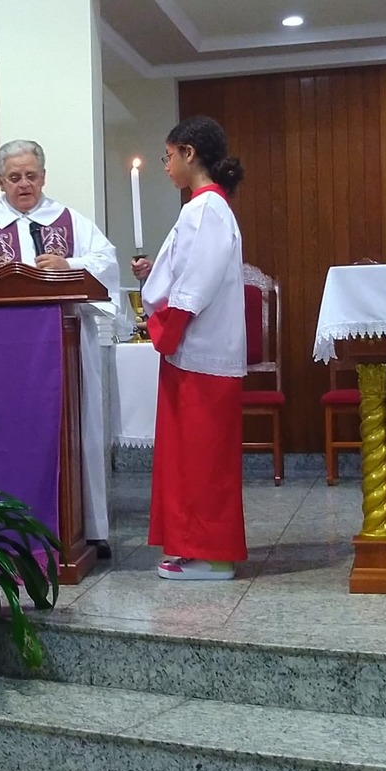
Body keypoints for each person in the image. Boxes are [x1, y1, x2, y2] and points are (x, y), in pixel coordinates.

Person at [0, 139, 120, 557]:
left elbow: (106, 263)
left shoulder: (70, 222)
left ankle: (84, 530)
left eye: (31, 176)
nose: (24, 184)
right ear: (0, 181)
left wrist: (69, 265)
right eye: (14, 177)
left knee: (74, 433)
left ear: (43, 177)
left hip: (62, 357)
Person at [131, 115, 247, 580]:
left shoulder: (206, 209)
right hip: (197, 353)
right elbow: (188, 270)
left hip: (201, 353)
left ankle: (213, 555)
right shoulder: (204, 207)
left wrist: (167, 326)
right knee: (191, 458)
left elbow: (197, 284)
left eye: (168, 156)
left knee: (203, 459)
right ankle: (194, 547)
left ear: (189, 153)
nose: (166, 165)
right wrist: (154, 276)